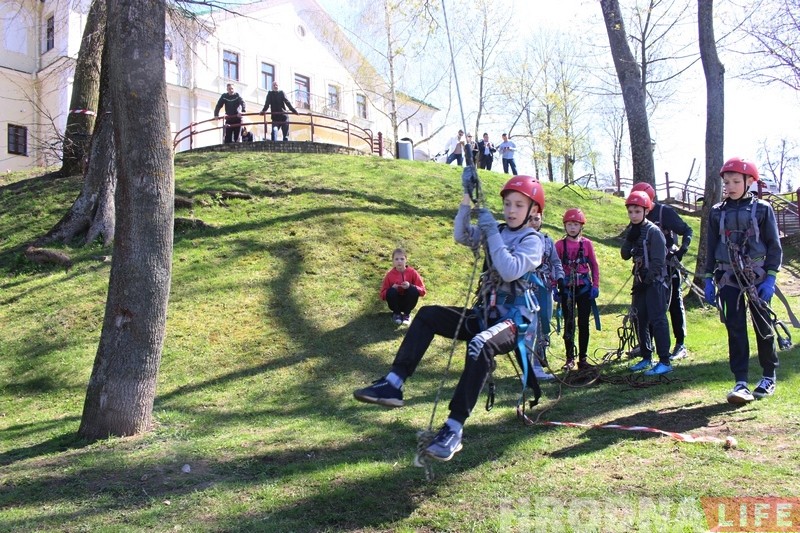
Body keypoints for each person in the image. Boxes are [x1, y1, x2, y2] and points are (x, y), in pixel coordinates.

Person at [354, 173, 544, 462]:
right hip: (485, 315)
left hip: (513, 322)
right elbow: (461, 235)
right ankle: (394, 382)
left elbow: (508, 269)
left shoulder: (534, 241)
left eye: (519, 205)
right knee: (428, 315)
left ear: (533, 211)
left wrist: (492, 230)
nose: (511, 210)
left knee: (480, 345)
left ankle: (454, 429)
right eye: (507, 204)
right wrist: (466, 201)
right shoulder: (501, 230)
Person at [704, 157, 782, 404]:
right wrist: (708, 277)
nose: (730, 186)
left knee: (762, 325)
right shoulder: (717, 213)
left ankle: (768, 376)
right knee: (735, 329)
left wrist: (770, 278)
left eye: (736, 181)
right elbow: (711, 246)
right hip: (728, 278)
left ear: (749, 182)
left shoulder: (763, 209)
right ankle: (741, 381)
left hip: (757, 278)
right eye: (727, 182)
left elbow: (774, 246)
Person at [630, 182, 693, 361]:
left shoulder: (665, 213)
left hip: (668, 265)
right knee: (644, 308)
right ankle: (647, 347)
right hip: (646, 269)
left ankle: (680, 343)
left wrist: (682, 250)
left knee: (673, 303)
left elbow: (686, 230)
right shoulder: (637, 216)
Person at [622, 191, 673, 376]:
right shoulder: (634, 231)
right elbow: (625, 255)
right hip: (639, 281)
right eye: (630, 212)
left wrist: (648, 280)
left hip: (655, 282)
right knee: (639, 318)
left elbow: (659, 261)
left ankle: (665, 360)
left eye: (637, 211)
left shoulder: (654, 232)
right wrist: (629, 238)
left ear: (645, 211)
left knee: (658, 319)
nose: (633, 215)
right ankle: (646, 356)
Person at [554, 208, 600, 371]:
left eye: (575, 224)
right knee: (569, 323)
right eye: (569, 224)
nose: (572, 228)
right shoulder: (559, 245)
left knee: (583, 323)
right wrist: (554, 287)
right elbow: (555, 265)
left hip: (584, 289)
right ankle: (569, 358)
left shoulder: (587, 244)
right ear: (565, 226)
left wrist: (595, 285)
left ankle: (583, 358)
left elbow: (594, 265)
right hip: (566, 289)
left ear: (581, 226)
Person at [526, 210, 565, 380]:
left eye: (537, 219)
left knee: (544, 323)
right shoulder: (521, 240)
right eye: (530, 219)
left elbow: (555, 262)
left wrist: (560, 278)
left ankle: (540, 359)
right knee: (530, 327)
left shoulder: (548, 240)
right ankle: (529, 365)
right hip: (526, 290)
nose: (534, 222)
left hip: (545, 287)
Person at [380, 248, 427, 326]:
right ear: (393, 261)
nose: (399, 261)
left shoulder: (413, 272)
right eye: (396, 259)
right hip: (395, 303)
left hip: (408, 303)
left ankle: (406, 315)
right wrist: (392, 289)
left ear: (406, 260)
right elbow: (382, 295)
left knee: (413, 289)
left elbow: (423, 291)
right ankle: (397, 314)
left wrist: (410, 286)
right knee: (391, 291)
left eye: (402, 259)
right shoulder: (389, 275)